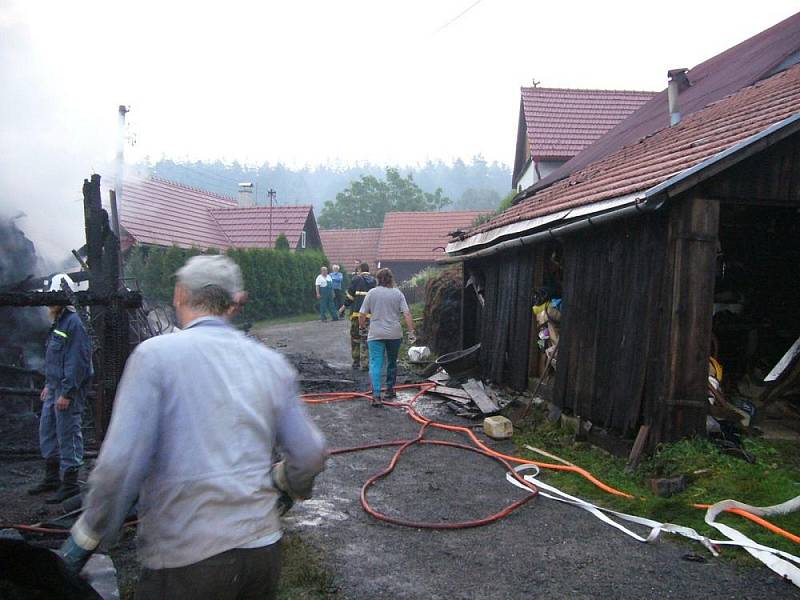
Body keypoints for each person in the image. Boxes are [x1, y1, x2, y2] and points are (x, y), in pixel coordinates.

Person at [58, 255, 327, 599]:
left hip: (187, 559)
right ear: (235, 302)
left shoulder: (154, 357)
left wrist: (87, 536)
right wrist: (284, 485)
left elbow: (119, 467)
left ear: (179, 294)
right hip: (262, 553)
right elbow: (310, 454)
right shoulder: (269, 363)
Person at [28, 273, 92, 504]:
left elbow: (78, 362)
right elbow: (56, 357)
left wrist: (67, 392)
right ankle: (52, 477)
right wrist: (49, 384)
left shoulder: (74, 323)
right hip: (55, 386)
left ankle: (71, 484)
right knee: (48, 429)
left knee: (68, 432)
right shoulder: (60, 321)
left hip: (68, 389)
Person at [359, 268, 416, 405]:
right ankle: (390, 390)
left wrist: (362, 327)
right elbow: (407, 314)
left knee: (375, 363)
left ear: (378, 279)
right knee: (391, 362)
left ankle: (376, 396)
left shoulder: (372, 293)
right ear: (391, 279)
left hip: (375, 333)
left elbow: (362, 314)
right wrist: (411, 332)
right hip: (394, 334)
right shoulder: (398, 293)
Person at [341, 262, 376, 370]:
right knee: (365, 338)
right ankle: (365, 363)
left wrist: (343, 307)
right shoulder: (374, 281)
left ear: (360, 269)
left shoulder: (356, 279)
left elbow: (350, 297)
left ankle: (356, 361)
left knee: (355, 337)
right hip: (369, 315)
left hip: (356, 314)